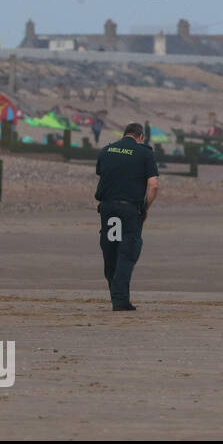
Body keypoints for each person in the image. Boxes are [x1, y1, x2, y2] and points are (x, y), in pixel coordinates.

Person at [94, 123, 159, 311]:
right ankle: (120, 300)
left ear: (124, 135)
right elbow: (153, 185)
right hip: (130, 209)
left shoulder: (106, 150)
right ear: (140, 137)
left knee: (110, 250)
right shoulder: (145, 153)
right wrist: (146, 206)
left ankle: (116, 294)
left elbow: (103, 174)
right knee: (127, 252)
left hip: (107, 208)